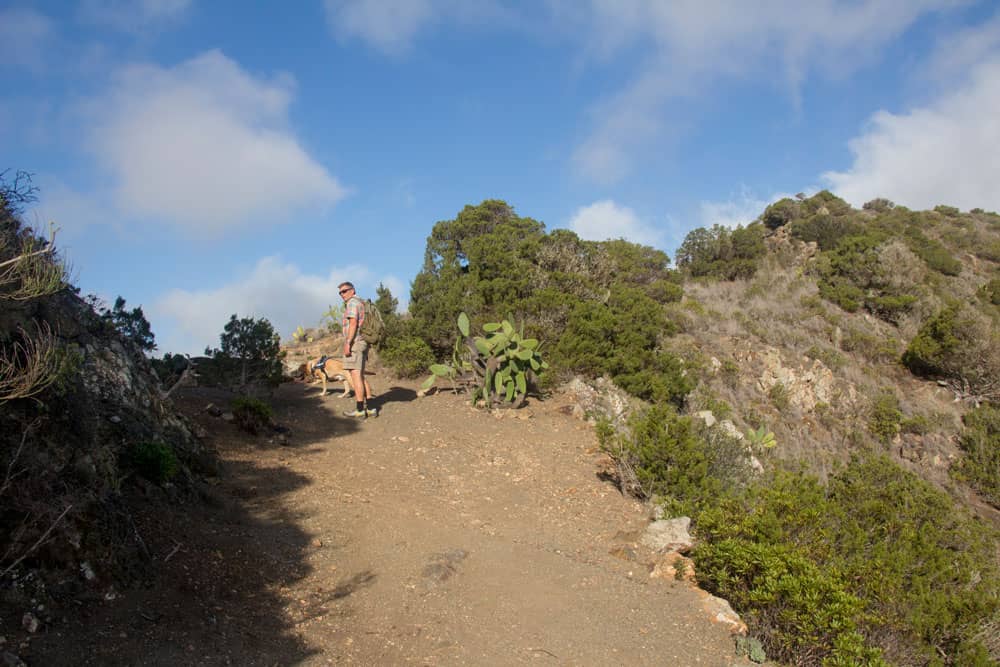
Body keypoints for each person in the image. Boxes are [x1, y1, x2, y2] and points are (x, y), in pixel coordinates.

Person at [339, 281, 377, 417]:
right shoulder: (361, 302)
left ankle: (360, 410)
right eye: (340, 292)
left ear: (352, 290)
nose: (342, 294)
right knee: (360, 375)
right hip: (363, 342)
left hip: (356, 342)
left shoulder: (352, 303)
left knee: (355, 376)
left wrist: (348, 342)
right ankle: (371, 408)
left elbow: (353, 323)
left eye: (344, 291)